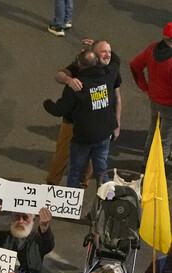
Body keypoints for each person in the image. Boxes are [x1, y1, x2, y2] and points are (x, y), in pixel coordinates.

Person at [45, 40, 123, 186]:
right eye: (103, 52)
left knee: (83, 167)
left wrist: (117, 123)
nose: (107, 55)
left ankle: (80, 188)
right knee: (64, 155)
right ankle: (52, 184)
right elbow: (59, 75)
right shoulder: (87, 68)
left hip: (93, 129)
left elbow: (117, 97)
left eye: (109, 52)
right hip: (75, 124)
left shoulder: (109, 71)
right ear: (94, 55)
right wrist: (69, 80)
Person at [130, 22, 172, 164]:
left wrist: (144, 86)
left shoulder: (152, 48)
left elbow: (134, 65)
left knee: (153, 133)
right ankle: (156, 171)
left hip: (155, 100)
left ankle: (146, 163)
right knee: (164, 140)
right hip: (169, 106)